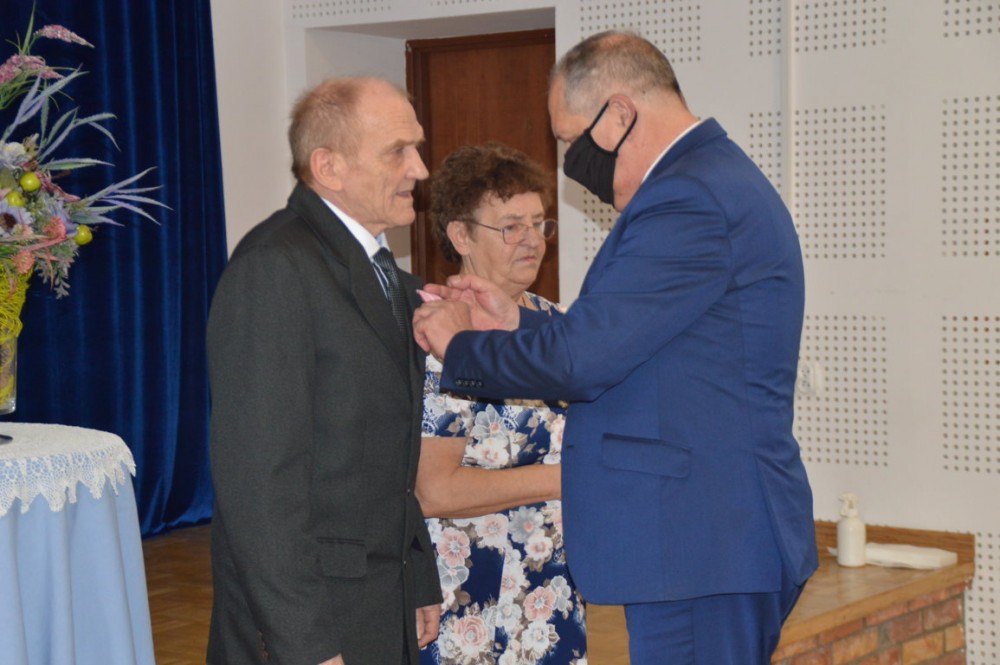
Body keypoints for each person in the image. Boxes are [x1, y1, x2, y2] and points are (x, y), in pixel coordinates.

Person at [412, 31, 818, 665]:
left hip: (700, 546)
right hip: (701, 543)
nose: (570, 163)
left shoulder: (688, 199)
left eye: (570, 140)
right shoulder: (705, 183)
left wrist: (461, 345)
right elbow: (632, 343)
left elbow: (585, 360)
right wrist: (512, 324)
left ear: (620, 114)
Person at [206, 77, 442, 665]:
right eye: (398, 151)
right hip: (312, 617)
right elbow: (259, 485)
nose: (419, 169)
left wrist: (415, 572)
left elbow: (389, 450)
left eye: (416, 148)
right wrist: (306, 644)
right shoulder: (275, 268)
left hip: (377, 596)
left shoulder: (379, 268)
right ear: (328, 167)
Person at [415, 143, 587, 664]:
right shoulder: (442, 334)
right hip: (468, 600)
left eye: (538, 224)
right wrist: (566, 479)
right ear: (461, 235)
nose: (532, 240)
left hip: (551, 594)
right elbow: (434, 490)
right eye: (511, 227)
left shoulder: (559, 325)